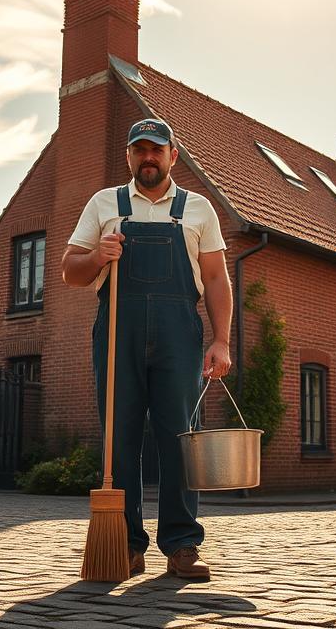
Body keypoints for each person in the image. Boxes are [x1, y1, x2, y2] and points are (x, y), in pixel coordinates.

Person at [61, 116, 232, 581]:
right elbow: (69, 271)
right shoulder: (104, 204)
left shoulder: (198, 209)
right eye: (140, 149)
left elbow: (216, 278)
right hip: (118, 331)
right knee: (120, 439)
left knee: (180, 438)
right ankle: (127, 545)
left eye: (157, 149)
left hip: (179, 332)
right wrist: (98, 256)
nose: (149, 157)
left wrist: (221, 340)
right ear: (129, 156)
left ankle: (181, 545)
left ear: (173, 155)